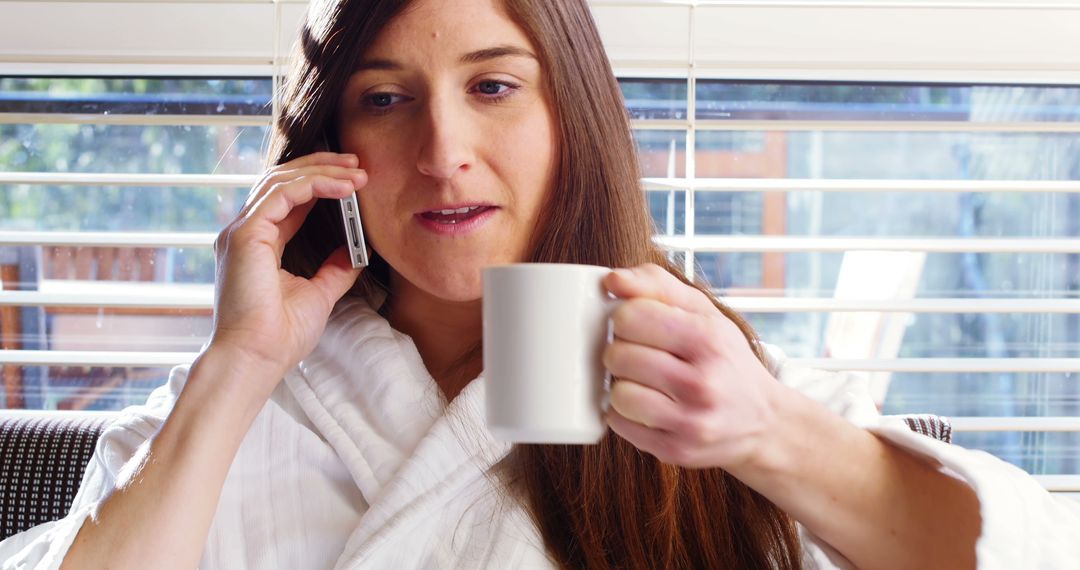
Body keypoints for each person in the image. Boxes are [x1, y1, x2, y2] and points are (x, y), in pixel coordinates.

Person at [3, 0, 1080, 568]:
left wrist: (764, 435)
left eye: (494, 86)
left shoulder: (710, 377)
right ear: (329, 148)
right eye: (385, 100)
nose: (443, 149)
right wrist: (237, 368)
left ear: (574, 118)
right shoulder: (236, 409)